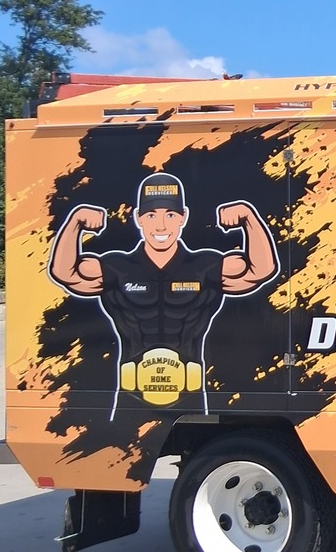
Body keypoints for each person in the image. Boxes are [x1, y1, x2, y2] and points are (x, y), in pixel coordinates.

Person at [49, 172, 279, 415]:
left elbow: (260, 270)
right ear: (138, 218)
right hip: (131, 398)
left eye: (170, 215)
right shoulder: (117, 268)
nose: (161, 226)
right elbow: (66, 273)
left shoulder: (205, 267)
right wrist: (75, 223)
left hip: (189, 397)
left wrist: (248, 217)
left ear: (183, 217)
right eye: (151, 215)